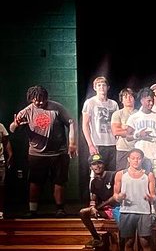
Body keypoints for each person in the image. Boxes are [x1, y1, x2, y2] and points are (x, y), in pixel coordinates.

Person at [10, 85, 77, 216]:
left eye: (42, 99)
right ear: (31, 99)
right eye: (36, 100)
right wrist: (16, 125)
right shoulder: (27, 111)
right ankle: (32, 210)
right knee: (35, 182)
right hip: (37, 153)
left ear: (46, 98)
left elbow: (71, 122)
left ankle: (60, 209)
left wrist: (72, 143)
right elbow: (11, 129)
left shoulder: (56, 107)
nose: (39, 102)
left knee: (59, 181)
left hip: (58, 153)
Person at [105, 148, 156, 251]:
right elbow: (115, 195)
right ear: (128, 159)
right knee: (128, 242)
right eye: (133, 158)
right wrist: (119, 197)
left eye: (138, 158)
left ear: (142, 159)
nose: (135, 160)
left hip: (144, 212)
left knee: (145, 241)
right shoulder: (121, 174)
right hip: (127, 211)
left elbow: (154, 195)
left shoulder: (148, 175)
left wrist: (150, 198)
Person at [79, 153, 115, 251]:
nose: (97, 166)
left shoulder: (112, 175)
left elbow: (115, 198)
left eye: (99, 163)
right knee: (83, 212)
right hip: (104, 210)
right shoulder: (93, 182)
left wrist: (98, 207)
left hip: (116, 209)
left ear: (103, 164)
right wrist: (93, 207)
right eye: (94, 164)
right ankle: (96, 237)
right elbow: (93, 199)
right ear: (91, 167)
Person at [81, 76, 118, 174]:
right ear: (95, 88)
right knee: (97, 173)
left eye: (104, 85)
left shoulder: (114, 104)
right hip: (97, 144)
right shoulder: (90, 103)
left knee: (111, 174)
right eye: (99, 85)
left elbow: (117, 124)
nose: (101, 87)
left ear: (108, 87)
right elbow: (85, 125)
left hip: (112, 144)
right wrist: (90, 145)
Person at [127, 88, 156, 174]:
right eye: (149, 101)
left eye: (152, 101)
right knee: (143, 180)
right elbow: (128, 137)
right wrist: (138, 135)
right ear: (142, 100)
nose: (151, 103)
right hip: (141, 157)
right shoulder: (134, 117)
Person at [0, 119, 10, 219]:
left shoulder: (0, 126)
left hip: (0, 161)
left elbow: (6, 141)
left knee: (1, 187)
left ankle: (0, 211)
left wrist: (10, 154)